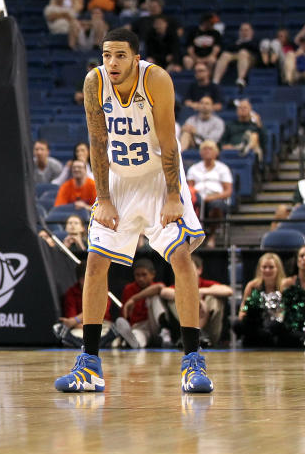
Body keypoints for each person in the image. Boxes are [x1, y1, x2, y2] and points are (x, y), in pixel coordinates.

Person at [55, 28, 212, 394]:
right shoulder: (94, 82)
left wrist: (174, 196)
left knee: (181, 258)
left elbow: (169, 142)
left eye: (120, 55)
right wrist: (104, 198)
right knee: (95, 262)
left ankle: (193, 361)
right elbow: (97, 141)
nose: (112, 62)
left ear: (136, 58)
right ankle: (90, 365)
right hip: (120, 183)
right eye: (107, 54)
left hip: (159, 178)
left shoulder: (155, 79)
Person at [160, 255, 233, 347]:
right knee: (174, 298)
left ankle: (201, 333)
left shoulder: (206, 284)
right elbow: (164, 292)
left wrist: (200, 292)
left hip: (210, 332)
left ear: (199, 270)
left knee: (214, 298)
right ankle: (192, 333)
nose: (186, 271)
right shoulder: (180, 286)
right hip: (187, 331)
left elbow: (229, 291)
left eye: (189, 267)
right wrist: (193, 297)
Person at [53, 259, 114, 349]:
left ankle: (91, 342)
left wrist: (75, 320)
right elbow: (70, 318)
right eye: (87, 278)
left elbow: (101, 311)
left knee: (114, 341)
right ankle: (99, 342)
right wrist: (78, 324)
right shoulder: (71, 293)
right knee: (78, 335)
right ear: (80, 279)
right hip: (81, 326)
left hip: (102, 325)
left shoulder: (102, 290)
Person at [113, 258, 170, 349]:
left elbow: (159, 288)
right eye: (137, 275)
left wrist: (133, 299)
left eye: (144, 275)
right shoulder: (129, 289)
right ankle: (133, 341)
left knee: (154, 297)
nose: (140, 278)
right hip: (139, 326)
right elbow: (124, 314)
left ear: (153, 274)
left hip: (155, 325)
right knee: (138, 338)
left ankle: (164, 331)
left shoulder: (156, 285)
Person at [232, 252, 286, 347]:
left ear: (278, 269)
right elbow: (243, 310)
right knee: (237, 324)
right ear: (259, 269)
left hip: (275, 324)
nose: (267, 270)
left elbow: (286, 312)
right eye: (264, 267)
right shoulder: (252, 286)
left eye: (271, 267)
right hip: (256, 324)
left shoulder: (284, 287)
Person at [186, 140, 233, 243]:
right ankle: (193, 235)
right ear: (200, 153)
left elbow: (228, 191)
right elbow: (189, 188)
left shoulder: (223, 168)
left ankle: (212, 235)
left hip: (215, 197)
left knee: (217, 206)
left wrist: (211, 198)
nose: (207, 151)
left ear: (216, 152)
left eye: (210, 149)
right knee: (189, 203)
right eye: (204, 149)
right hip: (198, 198)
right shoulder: (194, 169)